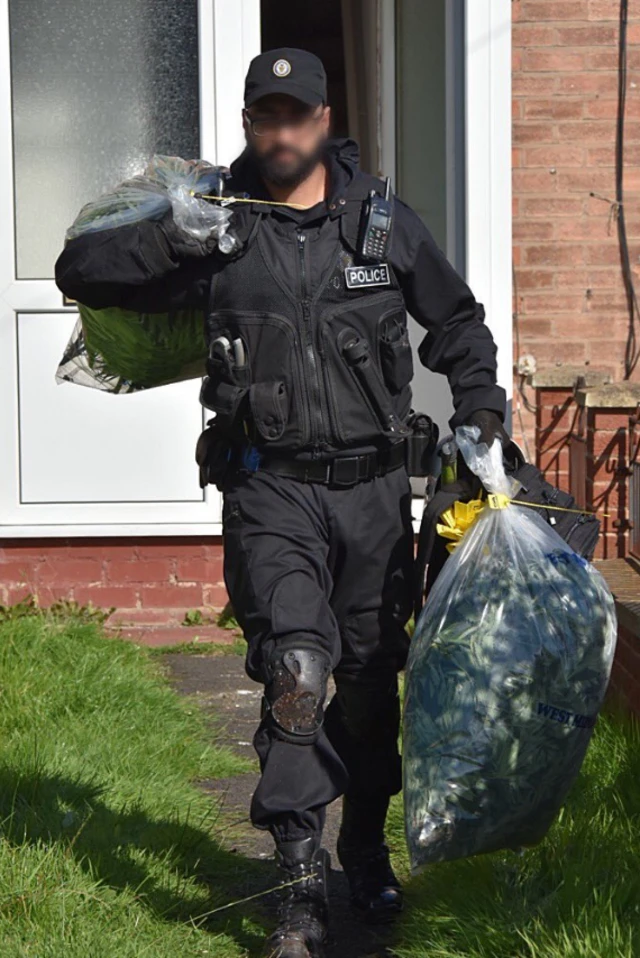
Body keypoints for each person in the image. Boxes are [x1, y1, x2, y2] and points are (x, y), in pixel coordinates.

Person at [56, 47, 509, 958]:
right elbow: (83, 271)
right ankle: (298, 886)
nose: (281, 132)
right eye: (265, 116)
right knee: (296, 677)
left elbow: (458, 324)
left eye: (296, 116)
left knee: (372, 690)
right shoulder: (220, 222)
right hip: (270, 487)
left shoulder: (378, 223)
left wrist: (481, 417)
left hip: (378, 492)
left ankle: (364, 851)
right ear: (249, 123)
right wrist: (172, 238)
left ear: (322, 118)